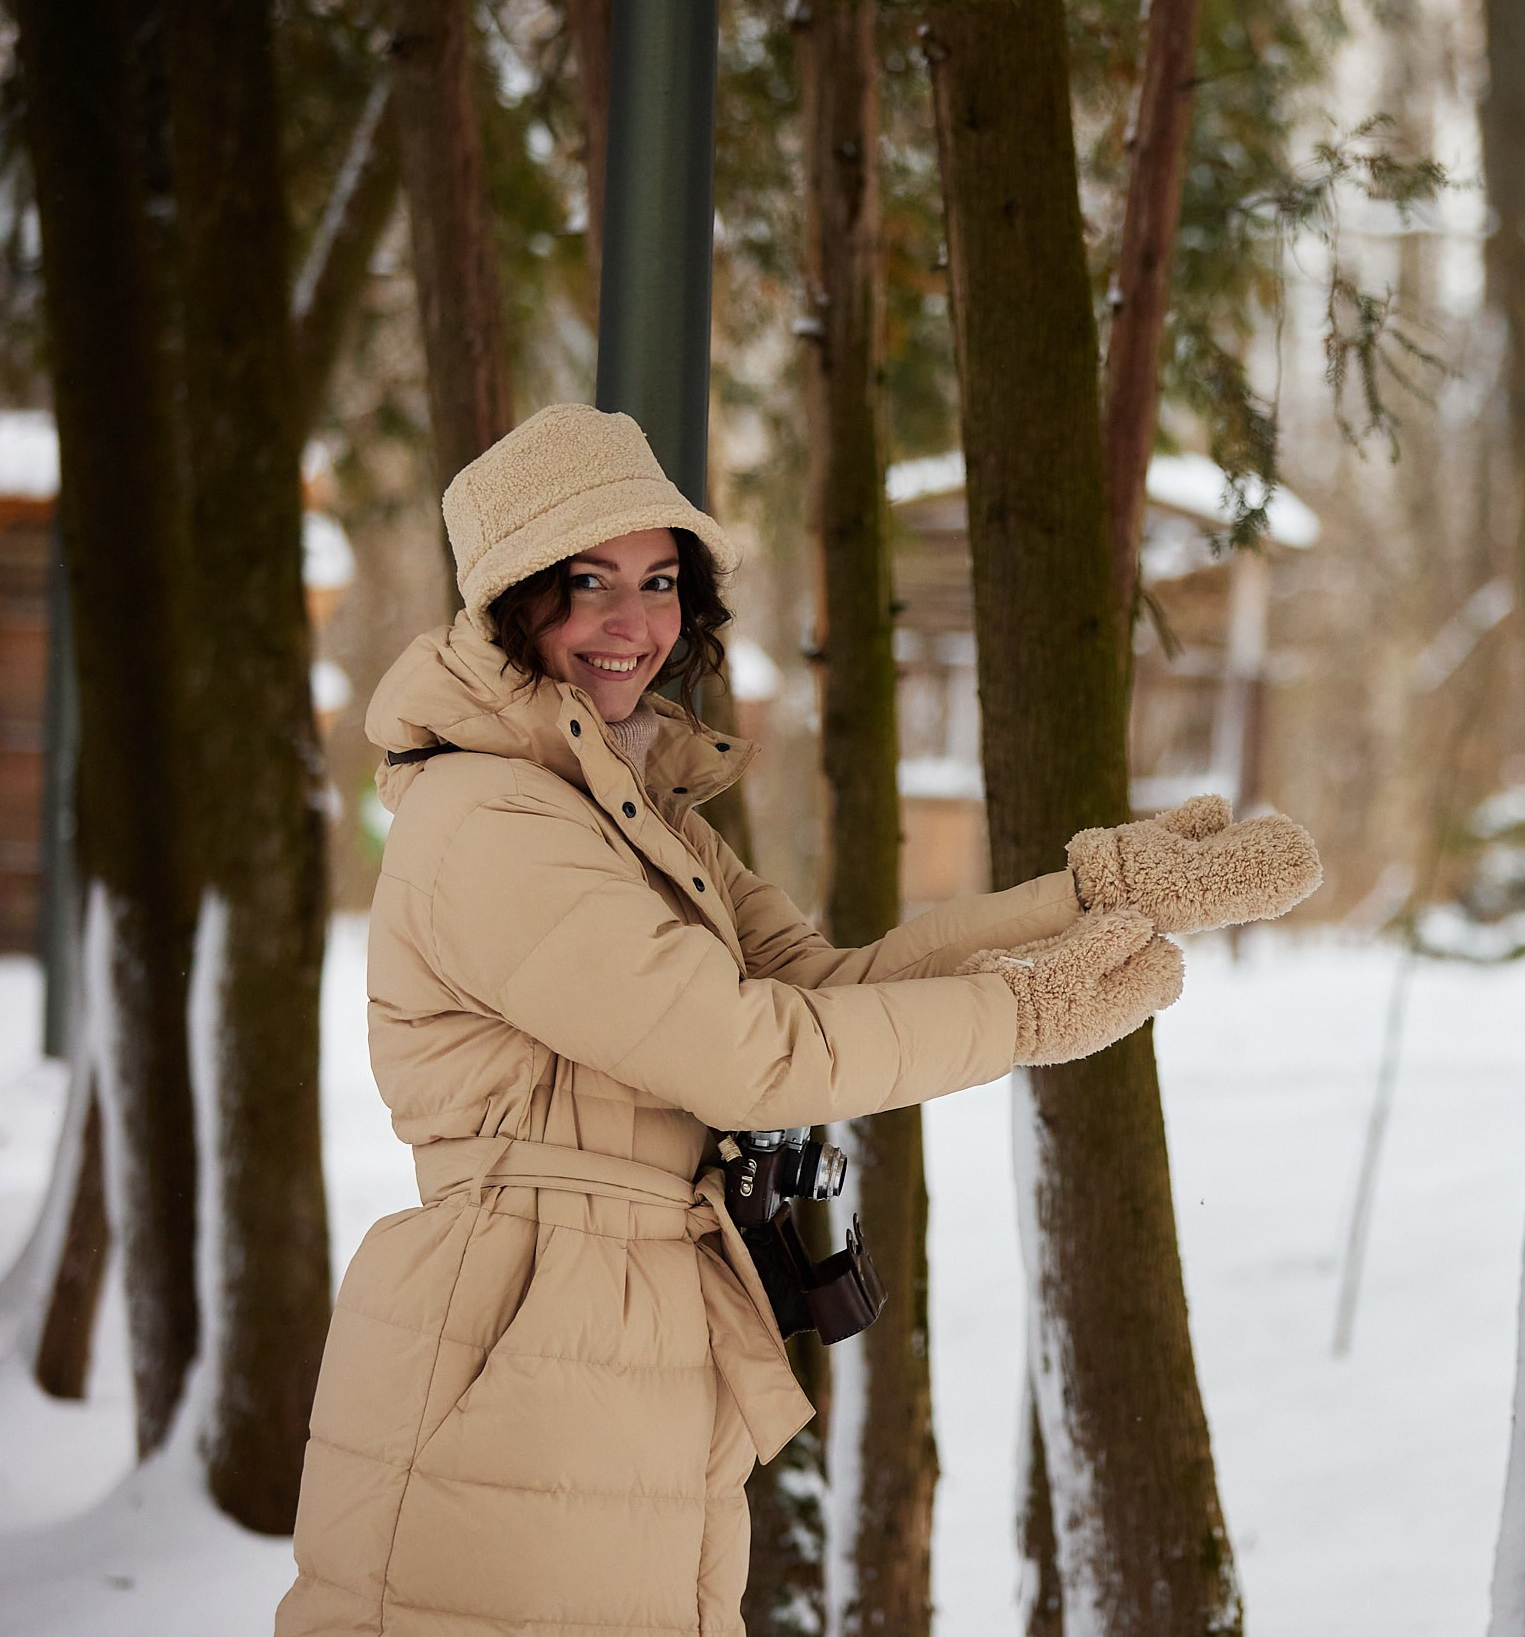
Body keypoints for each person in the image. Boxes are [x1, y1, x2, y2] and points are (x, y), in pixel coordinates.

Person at [274, 404, 1320, 1637]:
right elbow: (748, 1057)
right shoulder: (491, 824)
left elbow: (814, 993)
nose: (634, 622)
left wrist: (1087, 899)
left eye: (659, 581)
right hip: (510, 1355)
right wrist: (1023, 1013)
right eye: (586, 581)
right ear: (510, 599)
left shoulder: (629, 811)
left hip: (618, 1339)